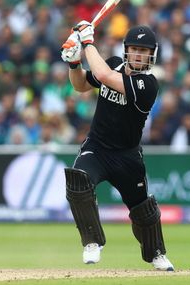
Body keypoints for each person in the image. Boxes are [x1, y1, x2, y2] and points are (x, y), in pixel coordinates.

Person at [60, 20, 174, 271]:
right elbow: (80, 86)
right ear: (127, 50)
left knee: (142, 208)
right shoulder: (112, 63)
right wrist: (74, 63)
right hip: (97, 149)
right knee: (78, 180)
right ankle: (92, 242)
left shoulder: (148, 85)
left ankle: (156, 253)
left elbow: (103, 76)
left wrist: (87, 41)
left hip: (127, 157)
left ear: (152, 55)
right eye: (134, 49)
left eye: (144, 51)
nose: (139, 54)